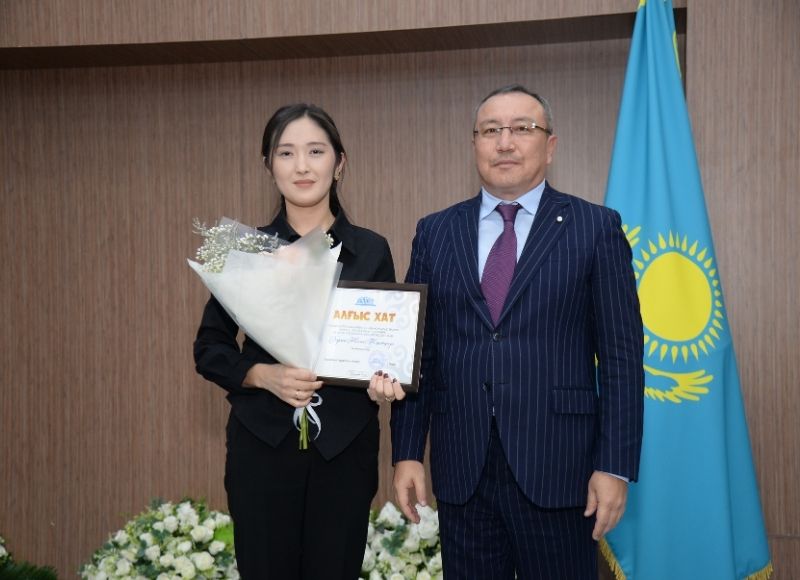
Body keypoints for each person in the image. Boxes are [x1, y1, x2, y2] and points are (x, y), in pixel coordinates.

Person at [387, 85, 644, 578]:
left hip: (560, 469)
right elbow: (421, 354)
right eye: (490, 130)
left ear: (550, 146)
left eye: (522, 128)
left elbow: (621, 358)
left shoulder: (595, 227)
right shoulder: (435, 231)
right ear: (475, 144)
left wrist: (614, 465)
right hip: (463, 469)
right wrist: (407, 453)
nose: (504, 142)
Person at [194, 103, 400, 579]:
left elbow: (384, 347)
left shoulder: (371, 249)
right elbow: (209, 349)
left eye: (315, 151)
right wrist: (261, 375)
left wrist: (385, 379)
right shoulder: (244, 250)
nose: (301, 166)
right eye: (286, 153)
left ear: (339, 163)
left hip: (344, 449)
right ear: (269, 165)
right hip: (261, 446)